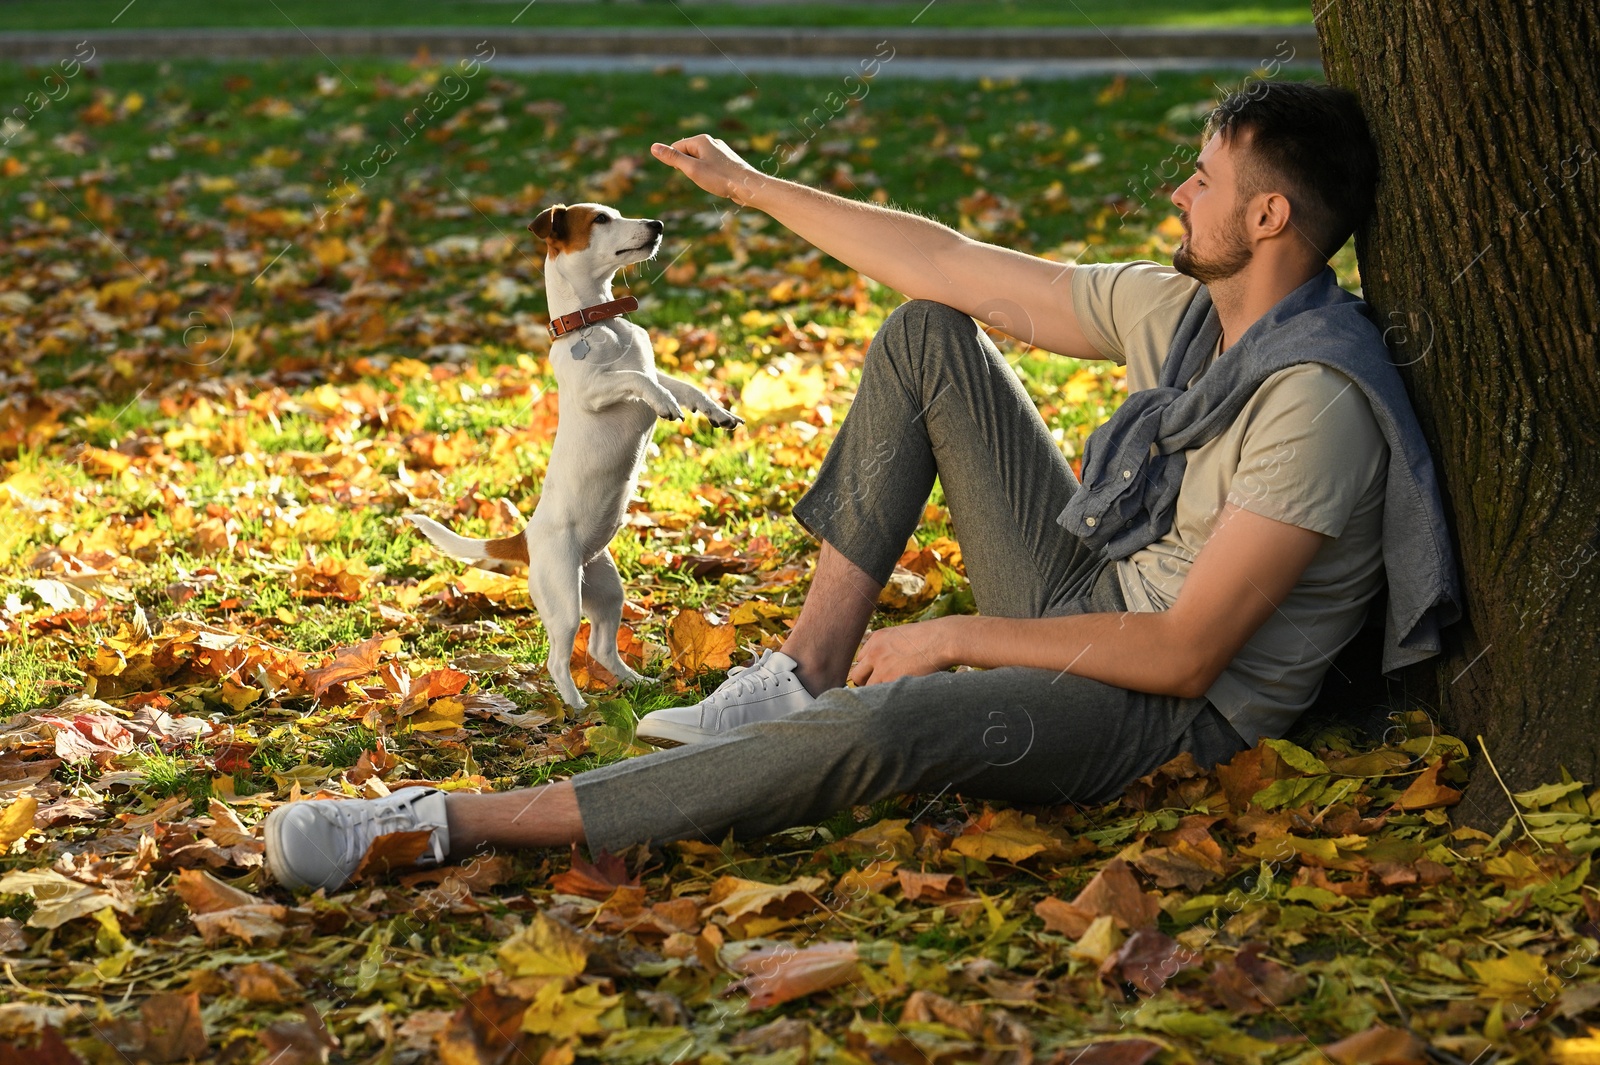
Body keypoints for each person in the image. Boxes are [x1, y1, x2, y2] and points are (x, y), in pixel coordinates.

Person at [264, 81, 1460, 893]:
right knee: (927, 334)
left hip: (1164, 714)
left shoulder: (1315, 401)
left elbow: (1188, 655)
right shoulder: (1188, 312)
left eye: (1201, 181)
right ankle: (799, 673)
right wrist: (753, 190)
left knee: (891, 727)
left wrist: (950, 637)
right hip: (1088, 595)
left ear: (1268, 213)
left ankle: (439, 823)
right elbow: (952, 267)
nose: (1174, 196)